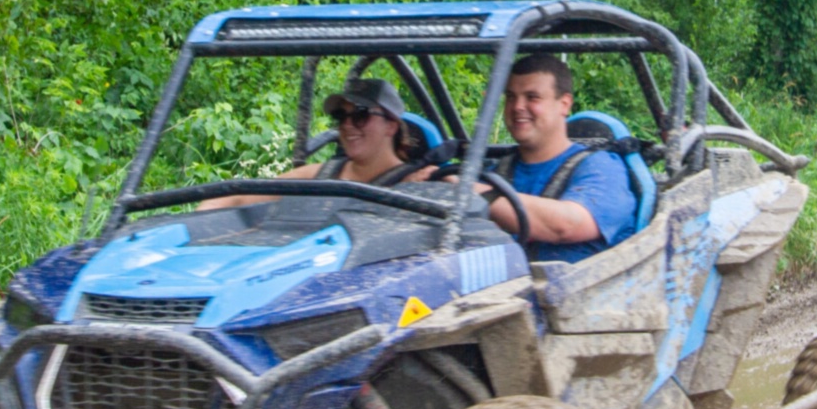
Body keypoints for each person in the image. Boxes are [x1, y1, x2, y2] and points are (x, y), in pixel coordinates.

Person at [478, 54, 638, 265]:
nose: (517, 107)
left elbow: (565, 225)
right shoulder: (497, 171)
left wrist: (471, 193)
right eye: (511, 97)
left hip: (584, 293)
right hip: (501, 292)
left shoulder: (602, 168)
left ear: (564, 104)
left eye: (532, 97)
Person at [200, 75, 430, 208]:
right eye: (341, 116)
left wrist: (444, 183)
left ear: (391, 125)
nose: (348, 125)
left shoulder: (418, 180)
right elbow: (239, 197)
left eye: (360, 115)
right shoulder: (320, 176)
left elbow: (465, 196)